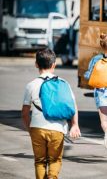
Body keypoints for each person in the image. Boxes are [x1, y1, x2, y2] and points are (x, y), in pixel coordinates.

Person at [21, 49, 81, 179]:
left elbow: (25, 113)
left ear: (36, 64)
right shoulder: (64, 83)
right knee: (54, 161)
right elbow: (73, 106)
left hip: (37, 128)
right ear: (54, 64)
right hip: (57, 129)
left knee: (39, 161)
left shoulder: (31, 85)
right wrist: (75, 124)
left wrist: (29, 129)